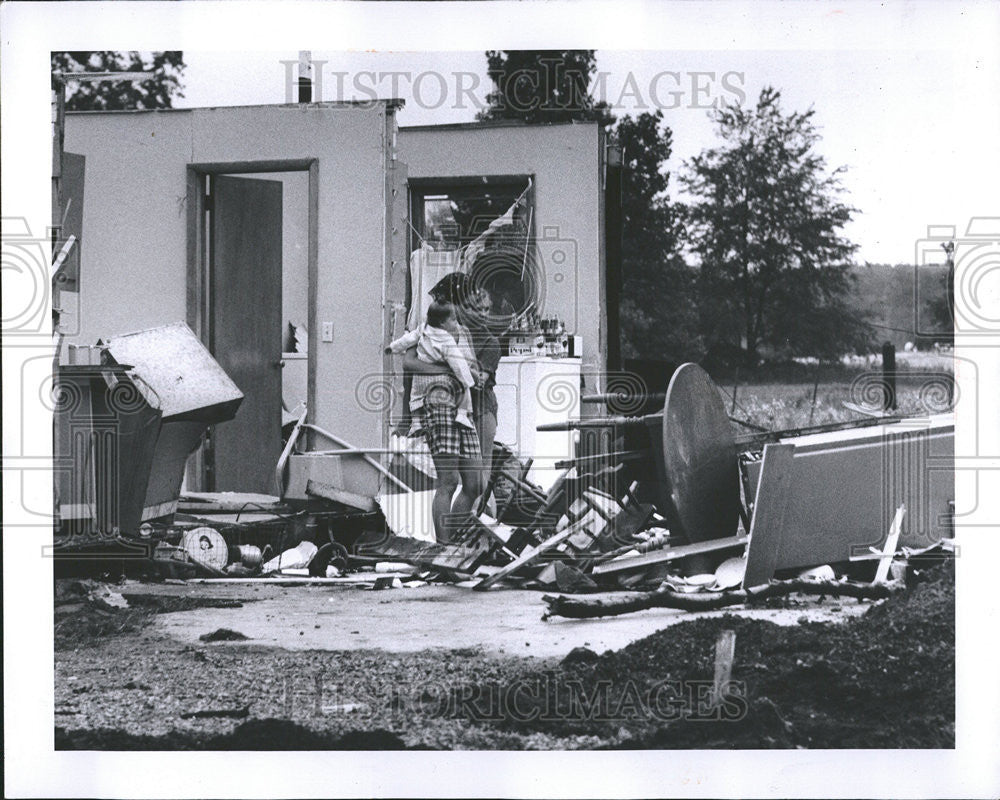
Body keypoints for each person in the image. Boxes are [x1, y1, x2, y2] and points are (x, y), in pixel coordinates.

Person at [402, 273, 502, 523]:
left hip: (478, 410)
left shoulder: (487, 340)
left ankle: (478, 530)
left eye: (485, 308)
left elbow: (477, 380)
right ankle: (457, 535)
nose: (481, 313)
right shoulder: (434, 332)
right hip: (449, 410)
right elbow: (410, 363)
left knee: (478, 480)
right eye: (475, 307)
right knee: (452, 480)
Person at [385, 300, 477, 430]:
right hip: (443, 389)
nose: (456, 323)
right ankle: (462, 415)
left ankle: (416, 423)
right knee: (463, 388)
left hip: (421, 377)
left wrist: (393, 347)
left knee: (415, 395)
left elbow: (407, 340)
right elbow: (459, 363)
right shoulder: (447, 340)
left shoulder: (423, 329)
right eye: (454, 320)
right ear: (443, 323)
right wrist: (467, 379)